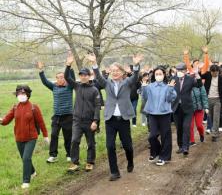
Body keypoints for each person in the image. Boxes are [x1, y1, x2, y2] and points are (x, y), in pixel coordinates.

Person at [88, 53, 143, 181]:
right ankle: (114, 172)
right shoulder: (107, 83)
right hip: (110, 119)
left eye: (117, 70)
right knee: (110, 146)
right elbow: (99, 77)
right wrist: (94, 63)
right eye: (112, 71)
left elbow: (135, 77)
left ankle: (130, 161)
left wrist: (136, 65)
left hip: (123, 119)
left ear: (122, 72)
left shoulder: (127, 83)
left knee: (127, 146)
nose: (115, 73)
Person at [0, 85, 49, 189]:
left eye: (23, 93)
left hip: (31, 137)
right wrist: (1, 120)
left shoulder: (33, 107)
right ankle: (33, 172)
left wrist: (45, 136)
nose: (21, 95)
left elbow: (41, 122)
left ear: (28, 95)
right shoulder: (15, 107)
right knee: (24, 158)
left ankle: (26, 181)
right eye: (19, 94)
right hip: (19, 138)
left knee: (27, 158)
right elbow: (6, 121)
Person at [64, 53, 101, 172]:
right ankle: (75, 162)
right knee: (74, 140)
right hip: (77, 120)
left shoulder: (94, 90)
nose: (83, 77)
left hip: (89, 121)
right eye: (81, 75)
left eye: (85, 75)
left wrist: (95, 121)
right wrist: (68, 65)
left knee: (91, 143)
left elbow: (97, 106)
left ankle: (90, 162)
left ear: (89, 76)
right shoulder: (77, 86)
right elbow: (67, 77)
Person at [37, 60, 75, 163]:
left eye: (62, 77)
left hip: (68, 116)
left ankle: (69, 155)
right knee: (54, 135)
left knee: (68, 137)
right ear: (56, 79)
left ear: (65, 78)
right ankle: (53, 155)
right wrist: (41, 70)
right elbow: (45, 81)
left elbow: (73, 78)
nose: (60, 79)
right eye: (58, 77)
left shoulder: (69, 86)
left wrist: (70, 66)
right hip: (56, 116)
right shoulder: (53, 87)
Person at [142, 66, 177, 166]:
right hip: (152, 114)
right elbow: (144, 97)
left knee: (165, 136)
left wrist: (170, 88)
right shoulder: (150, 86)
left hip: (165, 114)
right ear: (154, 75)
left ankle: (164, 157)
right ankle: (156, 151)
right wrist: (144, 87)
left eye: (160, 74)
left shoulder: (168, 86)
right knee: (152, 136)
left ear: (164, 75)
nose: (158, 76)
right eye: (156, 74)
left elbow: (170, 99)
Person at [171, 49, 203, 156]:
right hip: (176, 107)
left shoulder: (190, 79)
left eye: (182, 70)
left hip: (188, 108)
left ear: (185, 71)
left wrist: (197, 75)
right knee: (179, 128)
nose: (179, 71)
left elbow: (198, 85)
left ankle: (186, 147)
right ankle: (180, 146)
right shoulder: (173, 79)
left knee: (186, 127)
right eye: (178, 70)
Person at [201, 54, 222, 142]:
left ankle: (215, 134)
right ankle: (213, 128)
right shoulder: (208, 75)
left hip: (218, 100)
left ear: (218, 72)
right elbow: (200, 74)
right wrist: (206, 55)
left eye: (216, 72)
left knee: (216, 116)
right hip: (208, 99)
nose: (214, 74)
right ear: (210, 71)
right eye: (213, 72)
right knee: (210, 116)